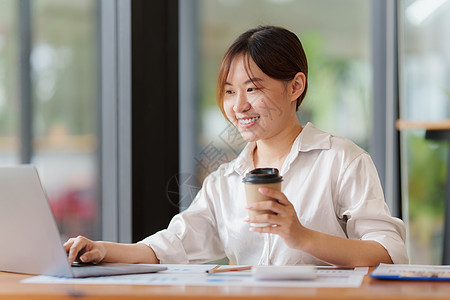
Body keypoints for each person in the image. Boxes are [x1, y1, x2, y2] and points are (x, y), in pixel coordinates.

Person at [65, 25, 409, 267]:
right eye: (230, 91)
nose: (238, 105)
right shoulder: (226, 180)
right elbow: (173, 245)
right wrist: (102, 249)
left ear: (295, 87)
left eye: (253, 88)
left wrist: (300, 236)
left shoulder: (341, 160)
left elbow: (390, 252)